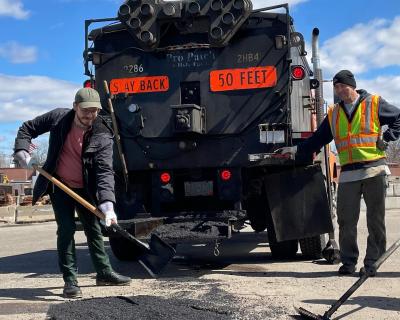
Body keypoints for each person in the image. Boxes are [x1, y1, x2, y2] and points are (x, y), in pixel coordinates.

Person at [277, 70, 400, 277]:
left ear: (352, 85)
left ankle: (372, 263)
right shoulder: (334, 113)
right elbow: (318, 139)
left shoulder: (374, 103)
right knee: (346, 221)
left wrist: (388, 136)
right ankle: (349, 262)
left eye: (343, 85)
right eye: (336, 87)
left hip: (374, 169)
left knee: (375, 220)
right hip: (349, 174)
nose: (340, 90)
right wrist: (296, 150)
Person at [13, 87, 131, 298]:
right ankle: (70, 280)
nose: (90, 115)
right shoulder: (58, 118)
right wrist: (22, 150)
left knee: (94, 228)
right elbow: (27, 128)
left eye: (94, 110)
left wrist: (108, 205)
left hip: (86, 188)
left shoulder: (103, 133)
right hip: (60, 184)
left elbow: (105, 171)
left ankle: (104, 273)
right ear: (75, 106)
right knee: (66, 229)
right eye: (86, 110)